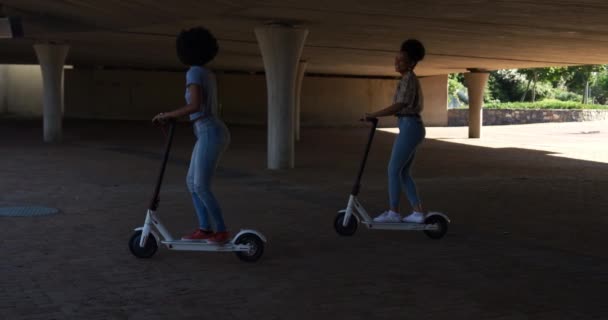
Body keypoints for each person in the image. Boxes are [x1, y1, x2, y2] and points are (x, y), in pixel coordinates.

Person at [152, 27, 231, 242]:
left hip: (209, 131)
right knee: (191, 182)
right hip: (208, 130)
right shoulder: (207, 73)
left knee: (201, 186)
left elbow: (195, 105)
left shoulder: (194, 72)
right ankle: (205, 228)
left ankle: (221, 230)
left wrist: (168, 115)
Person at [365, 39, 427, 224]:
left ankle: (394, 212)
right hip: (410, 126)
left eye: (401, 61)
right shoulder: (407, 78)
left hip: (410, 127)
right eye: (396, 59)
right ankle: (417, 212)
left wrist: (373, 114)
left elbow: (399, 105)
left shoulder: (409, 78)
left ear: (411, 63)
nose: (396, 63)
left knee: (393, 170)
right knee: (402, 172)